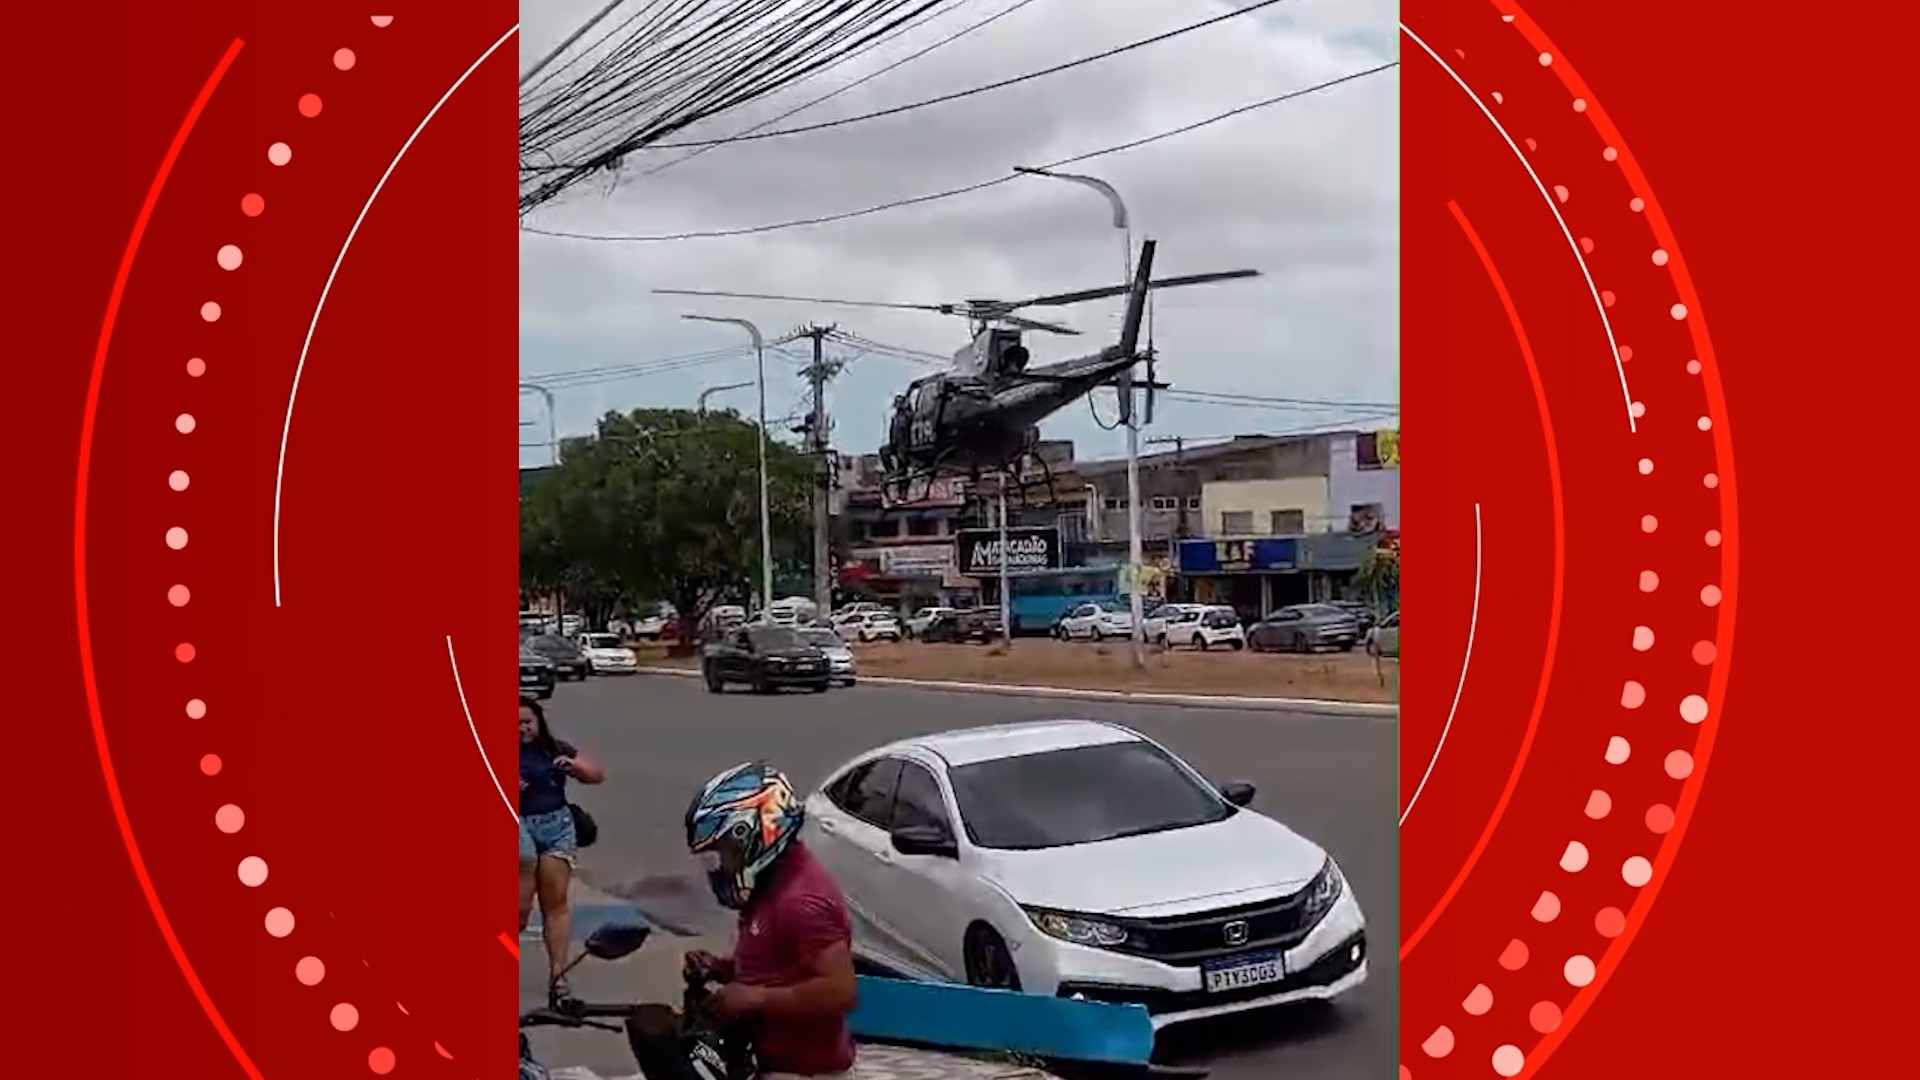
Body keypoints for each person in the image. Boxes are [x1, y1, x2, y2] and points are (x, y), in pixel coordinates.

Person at [634, 761, 858, 1080]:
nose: (721, 864)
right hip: (767, 1060)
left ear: (751, 834)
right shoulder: (769, 884)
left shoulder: (801, 902)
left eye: (724, 850)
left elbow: (840, 990)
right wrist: (721, 968)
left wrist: (756, 998)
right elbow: (780, 966)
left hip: (802, 1071)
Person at [517, 696, 605, 1005]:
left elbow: (596, 775)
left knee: (555, 903)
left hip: (557, 827)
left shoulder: (553, 748)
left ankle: (558, 976)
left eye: (527, 722)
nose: (522, 729)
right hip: (517, 827)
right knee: (520, 912)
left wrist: (576, 767)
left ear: (538, 722)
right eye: (515, 724)